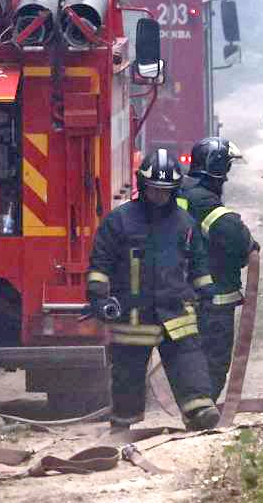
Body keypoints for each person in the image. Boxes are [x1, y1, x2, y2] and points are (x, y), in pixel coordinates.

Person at [87, 148, 221, 431]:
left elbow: (198, 264)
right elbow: (101, 261)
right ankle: (124, 422)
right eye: (154, 189)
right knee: (128, 373)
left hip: (175, 313)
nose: (159, 196)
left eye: (166, 190)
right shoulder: (120, 220)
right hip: (134, 316)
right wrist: (99, 297)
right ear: (142, 184)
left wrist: (207, 295)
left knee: (189, 362)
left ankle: (199, 411)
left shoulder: (185, 223)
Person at [177, 137, 261, 400]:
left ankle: (193, 403)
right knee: (214, 358)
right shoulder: (205, 203)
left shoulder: (182, 193)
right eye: (226, 168)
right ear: (217, 168)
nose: (227, 176)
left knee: (188, 355)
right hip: (213, 299)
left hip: (182, 294)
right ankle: (204, 408)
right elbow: (238, 239)